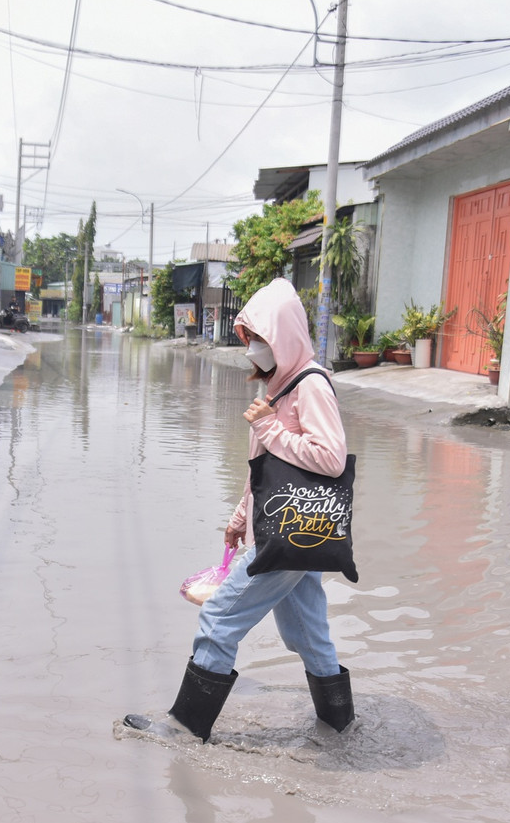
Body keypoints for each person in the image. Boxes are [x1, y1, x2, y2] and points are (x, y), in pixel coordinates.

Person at [125, 278, 354, 743]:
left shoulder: (310, 385)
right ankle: (340, 724)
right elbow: (269, 473)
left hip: (287, 537)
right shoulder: (282, 384)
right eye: (250, 341)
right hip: (291, 532)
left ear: (284, 337)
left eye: (260, 340)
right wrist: (239, 518)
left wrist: (270, 430)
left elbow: (330, 458)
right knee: (307, 634)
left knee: (219, 618)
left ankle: (186, 727)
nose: (252, 351)